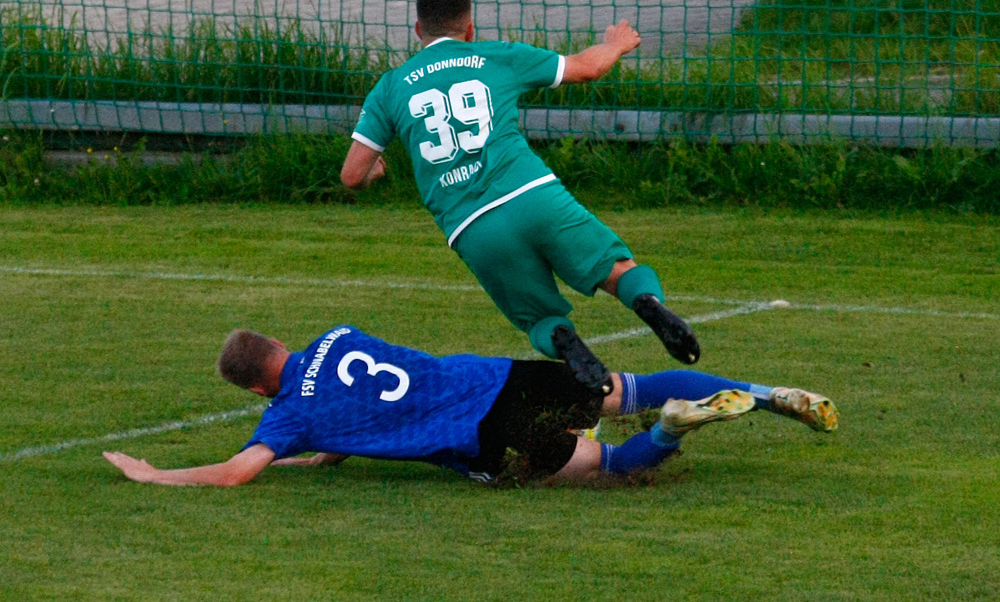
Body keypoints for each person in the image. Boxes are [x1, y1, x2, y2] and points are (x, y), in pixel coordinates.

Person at [340, 0, 699, 396]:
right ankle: (649, 305)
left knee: (541, 318)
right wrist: (616, 43)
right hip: (533, 195)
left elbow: (351, 175)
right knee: (615, 269)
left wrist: (373, 175)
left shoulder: (390, 87)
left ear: (418, 30)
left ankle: (571, 349)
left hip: (471, 225)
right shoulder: (498, 56)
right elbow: (588, 67)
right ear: (470, 28)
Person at [103, 326, 839, 487]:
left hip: (486, 434)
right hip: (499, 376)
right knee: (631, 389)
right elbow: (367, 392)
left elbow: (237, 472)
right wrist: (335, 445)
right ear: (280, 344)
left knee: (612, 467)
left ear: (260, 387)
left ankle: (674, 432)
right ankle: (768, 392)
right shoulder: (336, 334)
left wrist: (154, 473)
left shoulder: (286, 413)